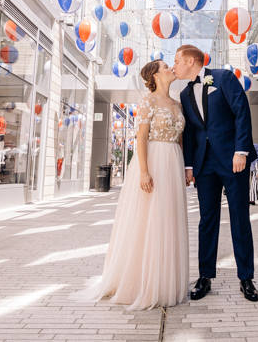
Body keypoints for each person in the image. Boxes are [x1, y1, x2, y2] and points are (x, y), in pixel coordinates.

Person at [72, 60, 189, 310]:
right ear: (155, 75)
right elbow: (142, 137)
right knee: (149, 219)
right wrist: (144, 172)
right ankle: (143, 282)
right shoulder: (149, 101)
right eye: (166, 66)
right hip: (154, 162)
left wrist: (185, 168)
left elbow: (180, 140)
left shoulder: (178, 104)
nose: (172, 68)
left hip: (174, 163)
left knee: (169, 219)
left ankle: (166, 280)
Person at [174, 45, 258, 302]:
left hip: (234, 161)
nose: (174, 65)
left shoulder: (222, 77)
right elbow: (190, 132)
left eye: (176, 61)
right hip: (204, 165)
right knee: (206, 220)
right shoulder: (184, 93)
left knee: (239, 218)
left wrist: (241, 151)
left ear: (190, 61)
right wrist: (189, 166)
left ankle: (246, 278)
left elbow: (241, 112)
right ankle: (205, 276)